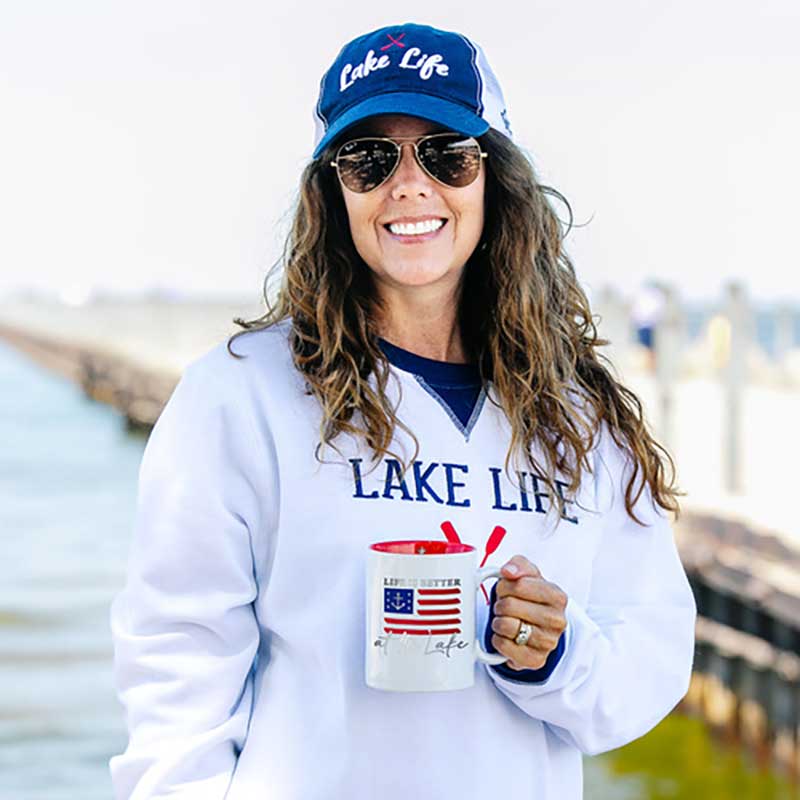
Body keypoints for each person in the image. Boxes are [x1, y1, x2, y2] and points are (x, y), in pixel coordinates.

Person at [109, 22, 697, 800]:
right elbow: (176, 670)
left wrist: (556, 656)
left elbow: (647, 658)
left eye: (447, 154)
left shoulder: (577, 417)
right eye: (369, 159)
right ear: (333, 190)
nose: (410, 186)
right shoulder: (240, 396)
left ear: (495, 179)